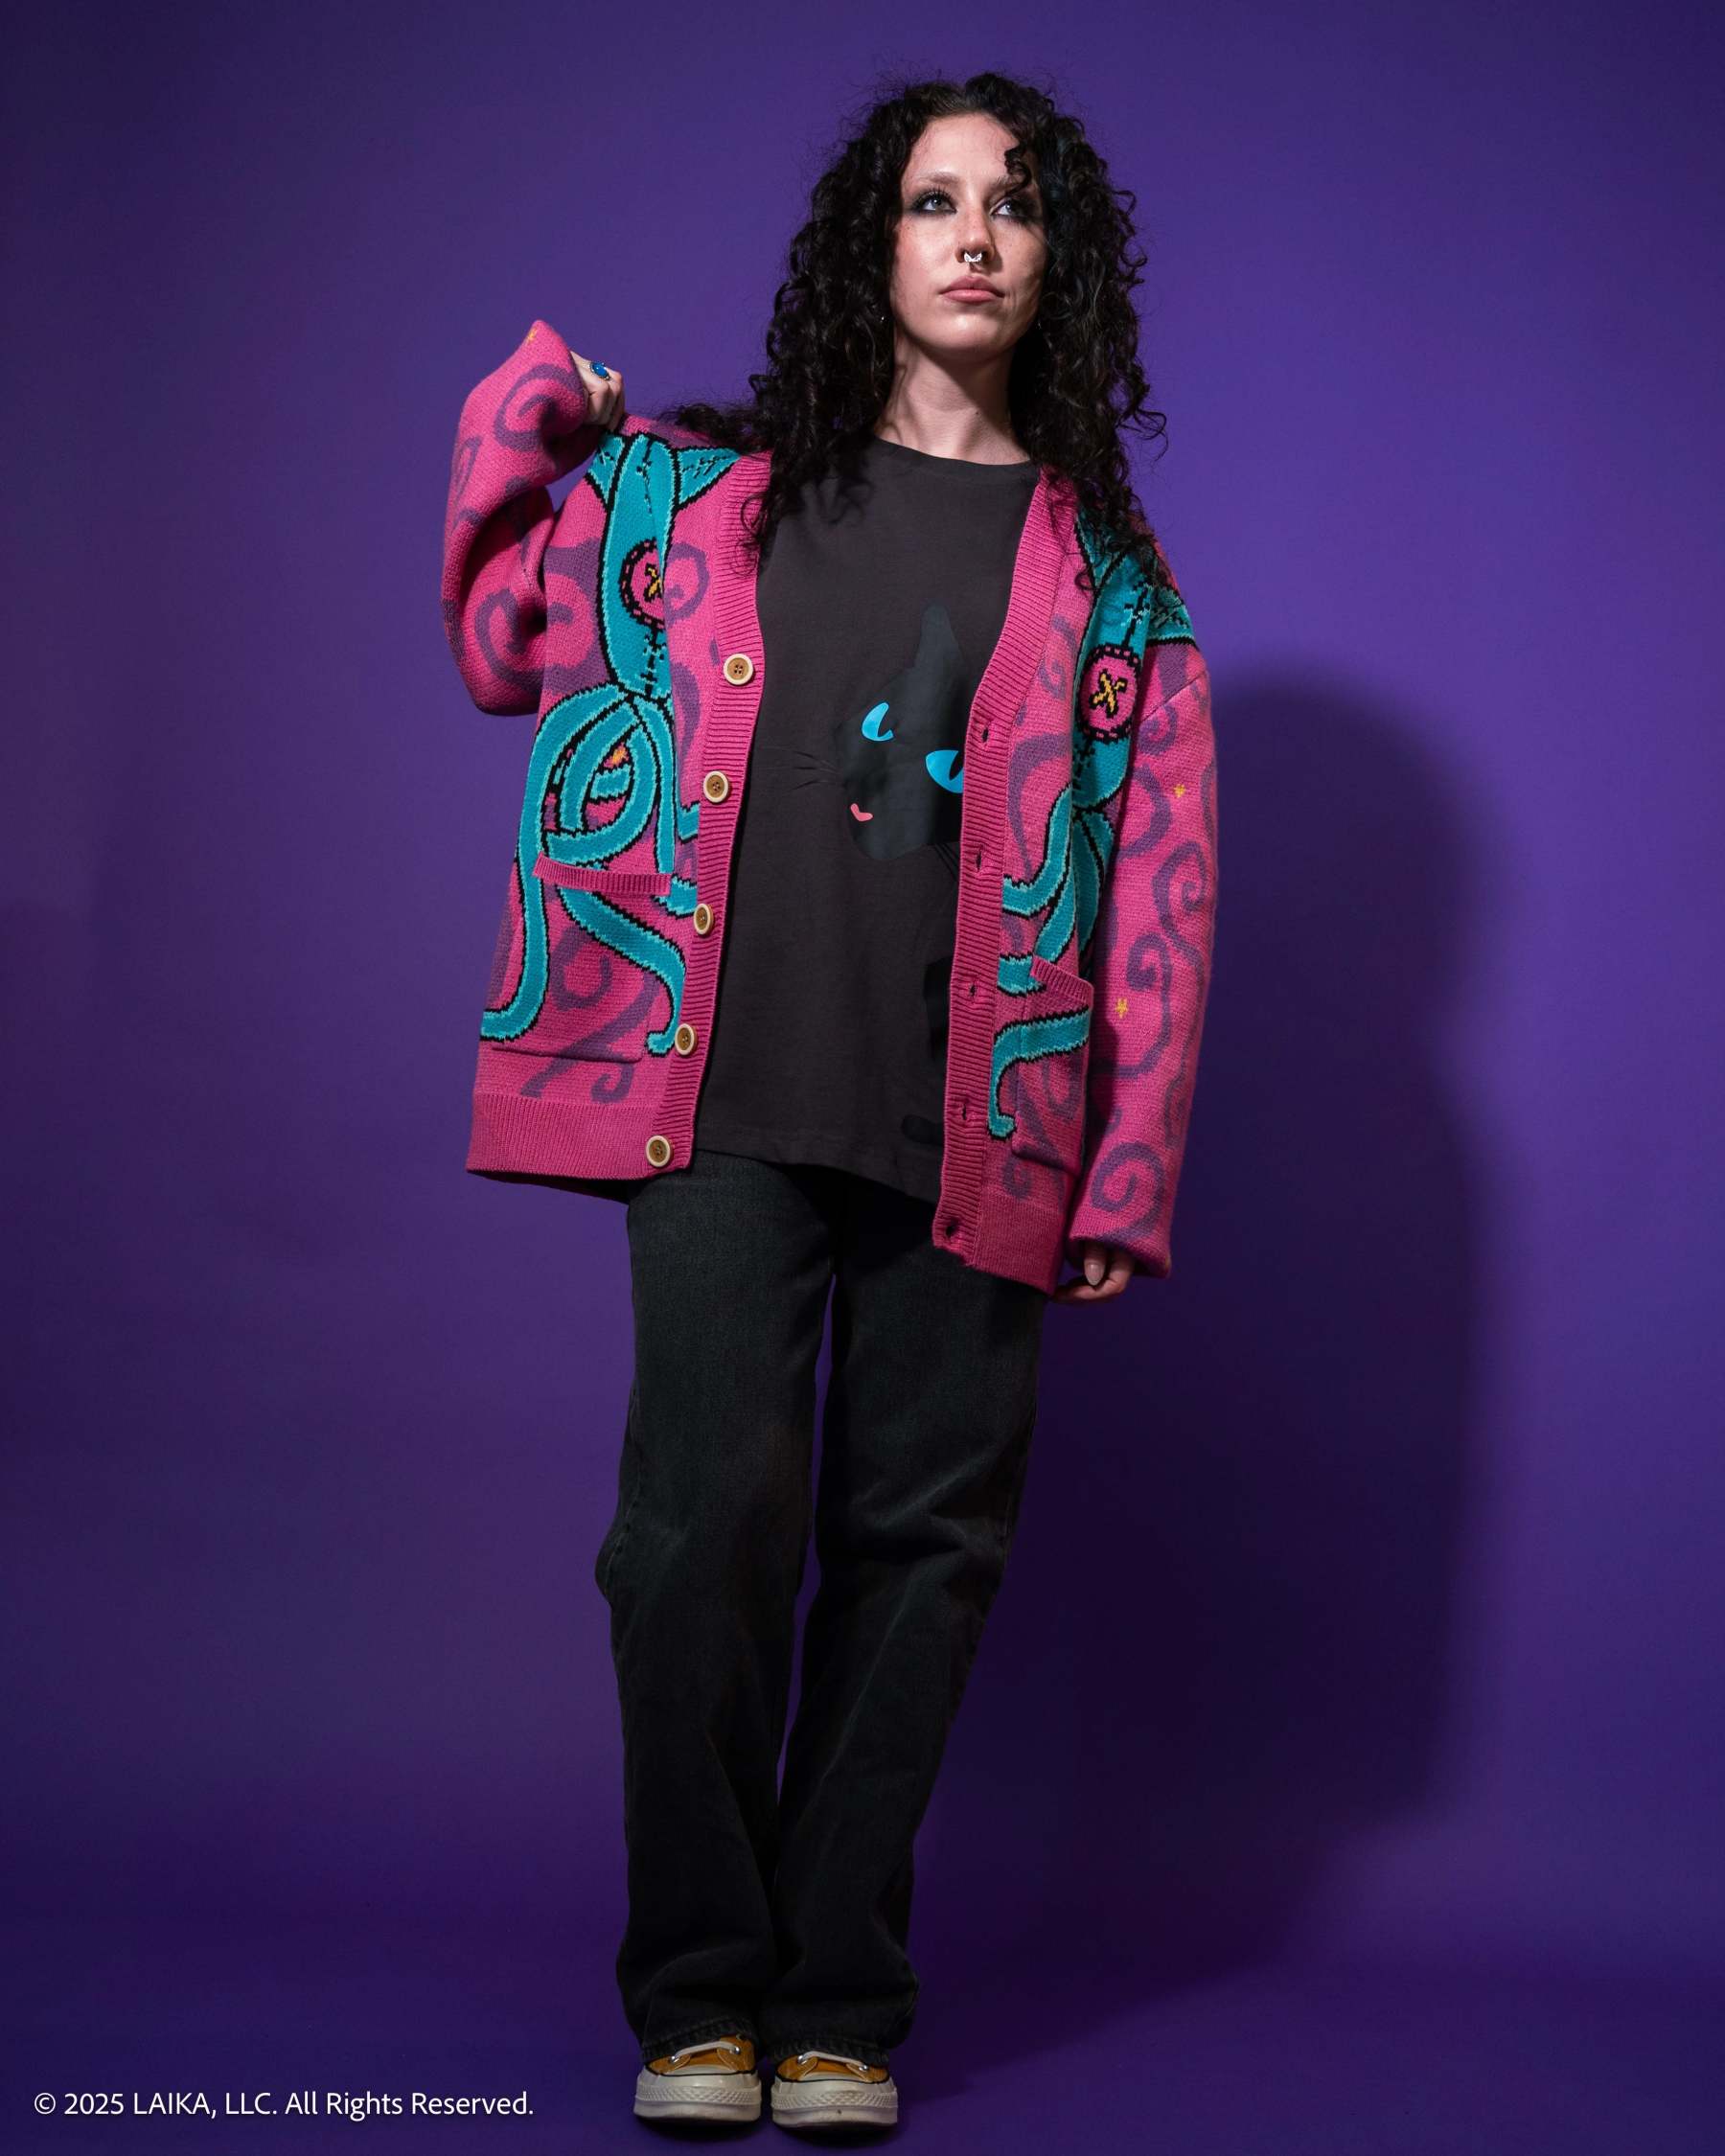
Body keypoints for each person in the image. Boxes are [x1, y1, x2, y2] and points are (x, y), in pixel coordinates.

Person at [439, 70, 1218, 2134]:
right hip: (715, 1098)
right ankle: (700, 1991)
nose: (973, 235)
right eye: (931, 200)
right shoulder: (700, 499)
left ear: (1058, 261)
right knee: (694, 1534)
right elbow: (504, 636)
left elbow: (1160, 884)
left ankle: (839, 1998)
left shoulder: (1114, 586)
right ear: (869, 245)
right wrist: (548, 411)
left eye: (1014, 203)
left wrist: (1125, 1167)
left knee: (924, 1548)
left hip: (981, 1121)